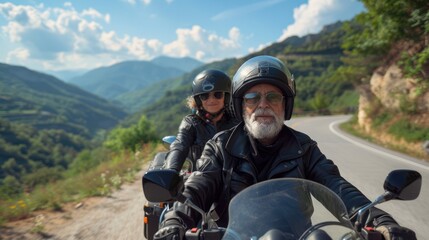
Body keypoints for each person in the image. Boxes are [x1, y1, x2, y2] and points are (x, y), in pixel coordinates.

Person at [154, 56, 416, 240]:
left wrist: (380, 220)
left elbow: (336, 187)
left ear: (285, 104)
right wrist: (176, 219)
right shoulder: (220, 147)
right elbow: (197, 187)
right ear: (240, 105)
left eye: (273, 97)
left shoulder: (303, 147)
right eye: (252, 97)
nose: (263, 105)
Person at [163, 69, 239, 172]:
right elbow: (179, 146)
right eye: (205, 96)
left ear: (226, 97)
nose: (211, 100)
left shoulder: (237, 121)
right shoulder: (192, 123)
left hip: (235, 181)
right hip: (200, 181)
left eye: (218, 94)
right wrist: (171, 171)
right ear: (198, 99)